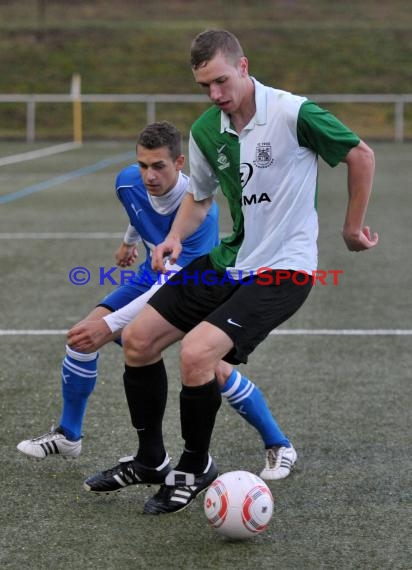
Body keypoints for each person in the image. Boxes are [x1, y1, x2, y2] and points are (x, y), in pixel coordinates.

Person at [85, 29, 379, 515]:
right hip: (229, 261)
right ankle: (149, 458)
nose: (216, 94)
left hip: (284, 270)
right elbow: (199, 197)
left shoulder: (291, 112)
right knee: (137, 340)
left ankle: (195, 465)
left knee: (197, 355)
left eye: (222, 81)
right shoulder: (206, 130)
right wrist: (176, 237)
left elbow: (360, 154)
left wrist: (352, 228)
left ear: (243, 67)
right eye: (205, 86)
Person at [17, 120, 290, 482]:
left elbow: (173, 280)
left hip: (194, 284)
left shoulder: (200, 210)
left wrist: (111, 324)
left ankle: (279, 443)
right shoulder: (127, 180)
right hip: (150, 273)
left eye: (159, 166)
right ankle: (69, 436)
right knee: (82, 338)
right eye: (143, 165)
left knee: (214, 369)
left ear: (179, 163)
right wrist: (129, 241)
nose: (149, 175)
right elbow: (136, 210)